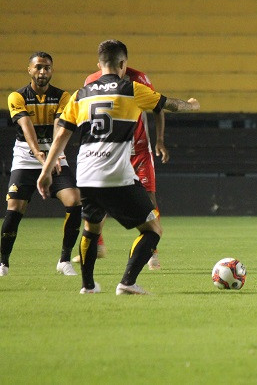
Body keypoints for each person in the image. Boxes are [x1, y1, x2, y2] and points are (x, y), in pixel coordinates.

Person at [37, 40, 199, 294]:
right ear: (123, 64)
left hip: (86, 174)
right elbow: (170, 105)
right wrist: (192, 104)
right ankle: (127, 282)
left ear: (99, 65)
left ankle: (88, 286)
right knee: (153, 229)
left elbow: (61, 137)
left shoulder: (81, 93)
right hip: (116, 174)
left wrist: (46, 171)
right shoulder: (131, 89)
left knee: (91, 229)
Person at [71, 67, 169, 270]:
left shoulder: (139, 78)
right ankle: (96, 246)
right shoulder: (91, 80)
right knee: (101, 196)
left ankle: (151, 251)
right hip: (109, 151)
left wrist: (159, 140)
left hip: (138, 150)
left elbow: (158, 107)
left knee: (148, 199)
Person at [1, 52, 81, 277]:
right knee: (15, 208)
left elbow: (59, 128)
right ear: (29, 70)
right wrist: (41, 157)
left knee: (75, 201)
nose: (42, 72)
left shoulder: (63, 97)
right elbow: (27, 130)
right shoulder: (17, 96)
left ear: (52, 70)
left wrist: (53, 157)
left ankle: (64, 260)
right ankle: (3, 263)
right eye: (38, 68)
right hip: (27, 158)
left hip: (54, 157)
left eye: (47, 68)